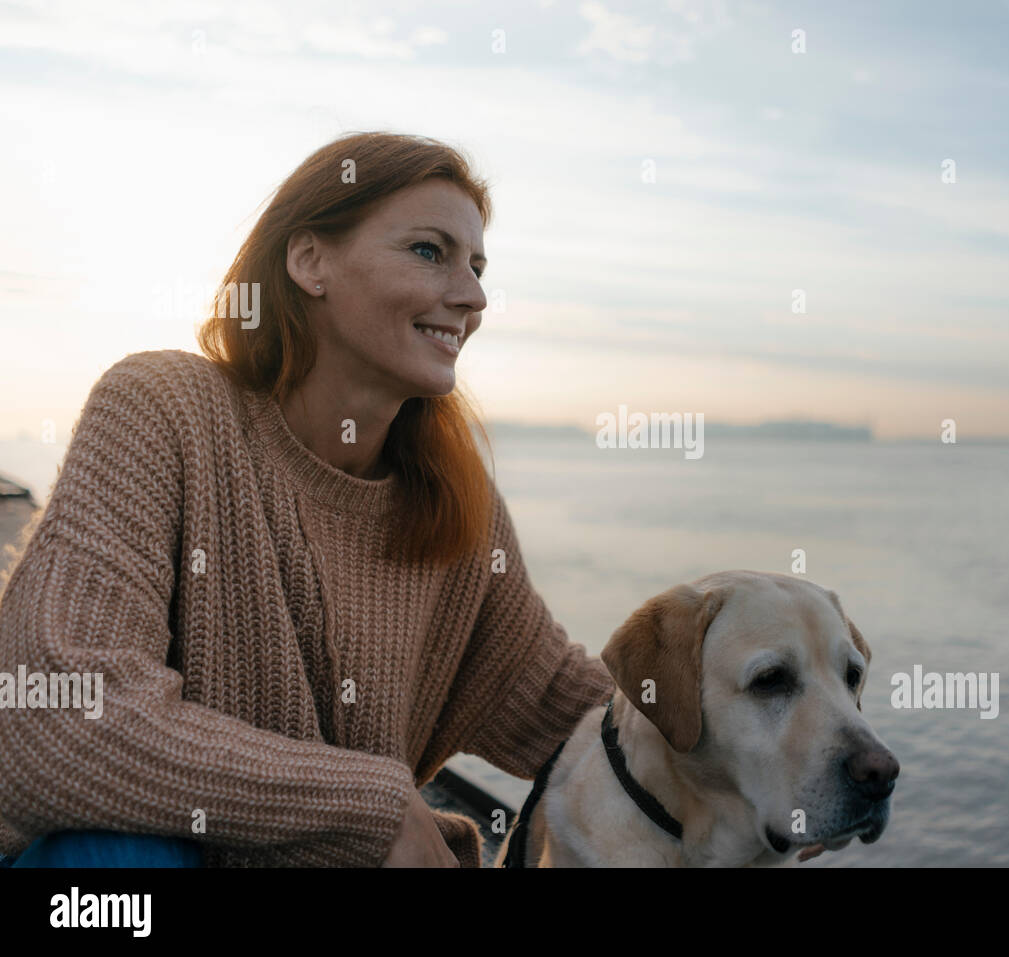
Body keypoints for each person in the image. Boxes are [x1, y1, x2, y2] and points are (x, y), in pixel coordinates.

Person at [0, 132, 615, 868]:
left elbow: (576, 712)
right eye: (430, 251)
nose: (473, 296)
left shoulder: (457, 505)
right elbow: (50, 714)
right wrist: (370, 808)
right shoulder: (165, 410)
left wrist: (766, 728)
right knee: (118, 854)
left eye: (478, 266)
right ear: (309, 261)